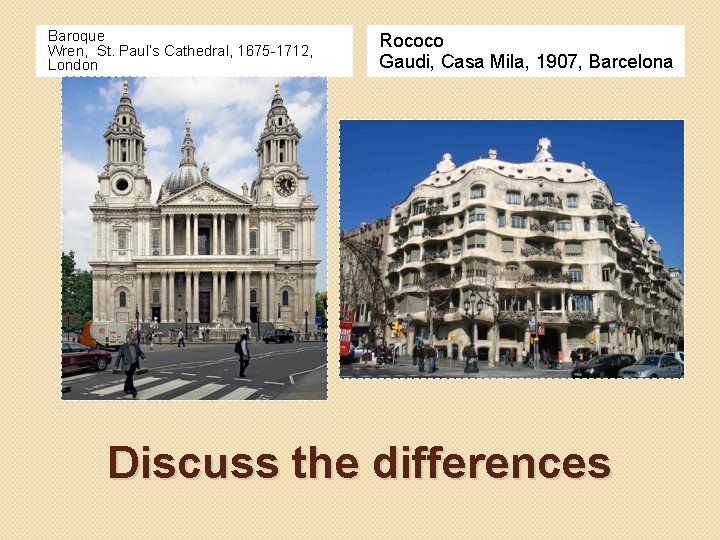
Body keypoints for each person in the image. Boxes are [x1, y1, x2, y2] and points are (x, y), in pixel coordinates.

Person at [115, 333, 147, 399]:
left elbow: (140, 352)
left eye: (134, 340)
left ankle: (126, 388)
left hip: (134, 365)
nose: (134, 341)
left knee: (129, 377)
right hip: (126, 365)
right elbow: (119, 356)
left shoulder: (136, 345)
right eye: (132, 339)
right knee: (129, 377)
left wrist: (144, 358)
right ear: (129, 338)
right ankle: (133, 391)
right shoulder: (124, 346)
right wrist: (116, 365)